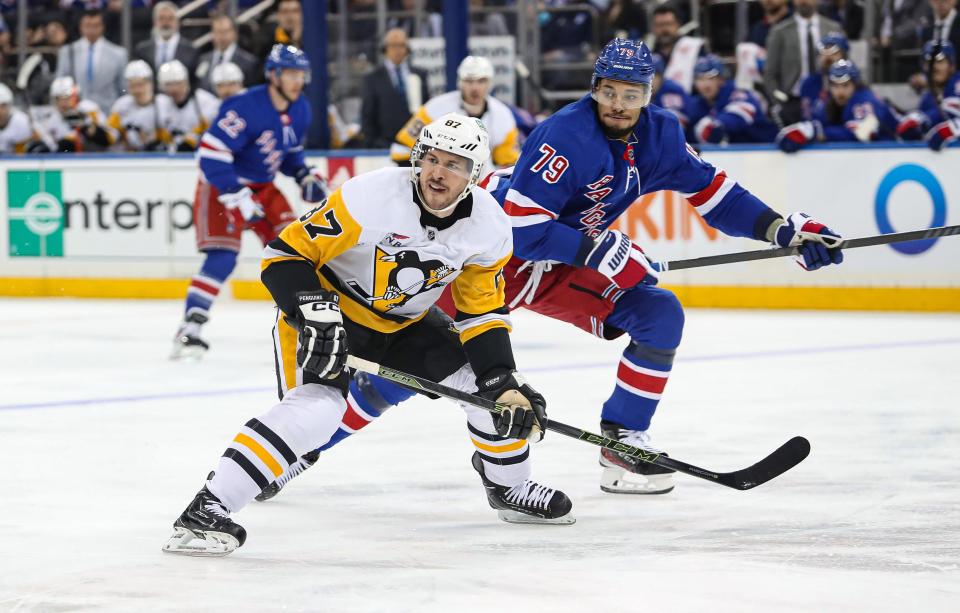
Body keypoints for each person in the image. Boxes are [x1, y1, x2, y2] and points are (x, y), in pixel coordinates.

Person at [256, 38, 845, 501]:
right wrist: (595, 248)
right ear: (595, 89)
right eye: (608, 91)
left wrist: (781, 230)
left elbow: (716, 193)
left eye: (631, 93)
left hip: (555, 265)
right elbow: (516, 227)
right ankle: (300, 452)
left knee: (657, 312)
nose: (618, 103)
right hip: (486, 262)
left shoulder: (663, 134)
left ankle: (621, 442)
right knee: (401, 374)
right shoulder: (565, 134)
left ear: (649, 93)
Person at [162, 112, 572, 556]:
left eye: (453, 164)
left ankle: (510, 487)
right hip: (329, 313)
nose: (438, 172)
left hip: (407, 324)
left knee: (495, 396)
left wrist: (501, 380)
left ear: (474, 175)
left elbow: (482, 313)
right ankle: (206, 510)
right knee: (319, 410)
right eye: (431, 158)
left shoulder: (489, 227)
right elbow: (283, 256)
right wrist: (314, 312)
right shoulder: (370, 196)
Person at [171, 44, 328, 359]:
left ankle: (313, 327)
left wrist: (304, 175)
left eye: (302, 74)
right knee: (222, 257)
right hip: (220, 186)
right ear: (273, 75)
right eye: (291, 74)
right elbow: (210, 154)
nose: (298, 81)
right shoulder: (243, 106)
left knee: (294, 252)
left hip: (263, 187)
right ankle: (190, 329)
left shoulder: (302, 109)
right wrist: (235, 194)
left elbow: (289, 152)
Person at [392, 55, 519, 168]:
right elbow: (401, 149)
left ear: (490, 83)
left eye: (481, 81)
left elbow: (507, 164)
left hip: (480, 184)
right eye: (469, 81)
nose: (475, 88)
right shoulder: (435, 108)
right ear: (460, 82)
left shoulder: (503, 116)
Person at [777, 60, 899, 152]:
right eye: (835, 86)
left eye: (845, 85)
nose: (839, 91)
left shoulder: (864, 99)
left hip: (893, 153)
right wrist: (809, 130)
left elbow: (862, 132)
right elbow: (819, 125)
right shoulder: (831, 103)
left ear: (855, 85)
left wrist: (819, 132)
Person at [764, 0, 843, 125]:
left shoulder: (833, 28)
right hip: (792, 101)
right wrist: (780, 101)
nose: (803, 1)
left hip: (827, 98)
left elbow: (844, 64)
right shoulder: (779, 31)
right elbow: (769, 73)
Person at [360, 27, 428, 148]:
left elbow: (426, 107)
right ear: (385, 49)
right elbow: (367, 114)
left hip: (415, 144)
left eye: (401, 45)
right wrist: (373, 144)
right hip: (384, 145)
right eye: (393, 45)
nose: (397, 50)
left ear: (407, 49)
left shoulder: (420, 74)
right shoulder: (373, 78)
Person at [686, 54, 777, 144]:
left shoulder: (738, 93)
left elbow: (740, 113)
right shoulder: (696, 103)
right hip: (731, 155)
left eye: (711, 78)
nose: (706, 85)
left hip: (766, 151)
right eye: (700, 79)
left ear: (721, 79)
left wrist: (717, 124)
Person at [55, 9, 127, 113]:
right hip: (76, 112)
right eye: (88, 25)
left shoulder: (118, 54)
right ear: (81, 27)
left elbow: (123, 88)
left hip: (109, 113)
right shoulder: (68, 52)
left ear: (103, 27)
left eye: (96, 25)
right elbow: (60, 84)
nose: (92, 29)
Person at [897, 40, 960, 150]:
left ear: (951, 65)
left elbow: (947, 114)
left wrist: (950, 130)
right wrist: (916, 129)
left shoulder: (957, 83)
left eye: (940, 62)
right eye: (929, 62)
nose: (934, 67)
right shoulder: (927, 98)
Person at [29, 76, 112, 153]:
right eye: (59, 98)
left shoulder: (89, 109)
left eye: (67, 98)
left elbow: (110, 139)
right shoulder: (51, 119)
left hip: (96, 159)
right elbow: (53, 147)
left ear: (75, 96)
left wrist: (88, 127)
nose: (63, 103)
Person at [106, 59, 174, 151]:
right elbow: (110, 135)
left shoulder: (165, 103)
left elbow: (176, 135)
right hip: (131, 158)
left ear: (150, 84)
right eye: (132, 86)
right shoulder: (121, 106)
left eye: (140, 85)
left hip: (161, 157)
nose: (137, 90)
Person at [157, 59, 219, 152]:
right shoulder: (160, 103)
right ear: (161, 86)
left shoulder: (207, 102)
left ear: (186, 82)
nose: (174, 89)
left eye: (178, 83)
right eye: (168, 84)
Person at [133, 1, 199, 77]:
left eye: (170, 18)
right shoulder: (142, 50)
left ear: (177, 22)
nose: (166, 23)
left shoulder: (191, 50)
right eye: (161, 18)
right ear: (154, 22)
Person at [196, 14, 260, 93]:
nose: (221, 36)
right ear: (212, 34)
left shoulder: (249, 62)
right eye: (217, 32)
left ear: (234, 33)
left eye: (225, 32)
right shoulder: (203, 59)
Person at [798, 32, 849, 121]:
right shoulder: (809, 83)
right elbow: (806, 117)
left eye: (834, 53)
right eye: (824, 53)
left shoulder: (853, 84)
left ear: (844, 56)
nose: (828, 57)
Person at [651, 52, 689, 127]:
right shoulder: (636, 88)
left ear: (661, 77)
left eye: (654, 76)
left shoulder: (671, 90)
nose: (649, 80)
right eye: (644, 75)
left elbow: (676, 124)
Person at [0, 83, 35, 153]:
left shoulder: (21, 122)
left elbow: (22, 155)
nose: (0, 111)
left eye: (3, 106)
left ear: (10, 105)